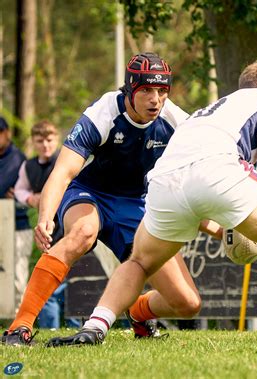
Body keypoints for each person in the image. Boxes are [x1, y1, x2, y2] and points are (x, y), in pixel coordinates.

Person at [48, 59, 257, 347]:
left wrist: (229, 221)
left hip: (165, 181)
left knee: (139, 262)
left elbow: (194, 182)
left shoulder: (207, 111)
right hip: (219, 170)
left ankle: (95, 326)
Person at [2, 52, 220, 346]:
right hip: (90, 193)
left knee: (186, 302)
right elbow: (63, 170)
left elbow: (206, 168)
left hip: (136, 206)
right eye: (146, 91)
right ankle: (20, 327)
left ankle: (138, 311)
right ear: (130, 89)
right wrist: (45, 216)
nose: (156, 99)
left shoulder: (175, 121)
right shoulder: (104, 112)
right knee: (82, 232)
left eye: (162, 91)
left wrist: (224, 221)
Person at [13, 120, 62, 328]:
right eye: (40, 141)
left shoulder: (65, 160)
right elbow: (19, 189)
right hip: (46, 229)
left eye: (49, 140)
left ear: (56, 140)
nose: (45, 145)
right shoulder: (28, 166)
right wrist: (30, 199)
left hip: (70, 224)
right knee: (49, 286)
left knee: (78, 285)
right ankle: (52, 328)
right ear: (33, 142)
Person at [0, 116, 32, 309]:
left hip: (18, 227)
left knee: (18, 280)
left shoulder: (17, 159)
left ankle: (20, 324)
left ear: (7, 133)